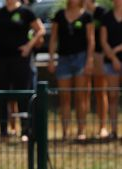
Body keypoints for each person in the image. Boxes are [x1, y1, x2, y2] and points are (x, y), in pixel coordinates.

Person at [0, 0, 45, 139]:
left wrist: (28, 46)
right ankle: (3, 131)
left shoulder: (26, 12)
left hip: (21, 59)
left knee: (22, 95)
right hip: (1, 59)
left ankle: (25, 131)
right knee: (2, 95)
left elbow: (41, 30)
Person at [48, 0, 94, 140]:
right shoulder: (59, 15)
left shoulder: (87, 16)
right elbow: (53, 38)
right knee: (64, 98)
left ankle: (81, 131)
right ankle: (65, 132)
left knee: (81, 96)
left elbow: (91, 40)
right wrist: (51, 59)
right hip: (63, 59)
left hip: (81, 58)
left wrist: (89, 60)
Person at [85, 0, 108, 137]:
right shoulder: (80, 12)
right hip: (83, 56)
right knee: (84, 93)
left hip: (99, 55)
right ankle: (83, 128)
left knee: (100, 91)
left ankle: (103, 126)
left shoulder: (102, 12)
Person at [101, 0, 122, 138]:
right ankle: (113, 130)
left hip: (114, 56)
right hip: (110, 62)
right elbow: (103, 41)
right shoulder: (106, 17)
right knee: (113, 96)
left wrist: (118, 49)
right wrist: (114, 58)